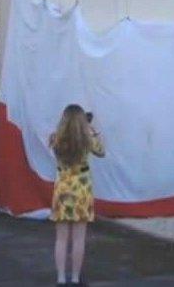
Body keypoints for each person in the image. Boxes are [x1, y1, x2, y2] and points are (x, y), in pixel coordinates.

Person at [49, 104, 104, 287]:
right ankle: (75, 278)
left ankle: (61, 279)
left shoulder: (56, 139)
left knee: (61, 237)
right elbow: (102, 152)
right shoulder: (87, 141)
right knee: (79, 237)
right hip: (82, 189)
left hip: (63, 188)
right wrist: (92, 131)